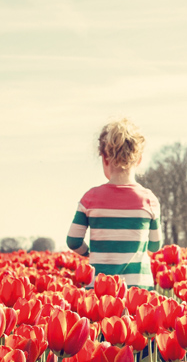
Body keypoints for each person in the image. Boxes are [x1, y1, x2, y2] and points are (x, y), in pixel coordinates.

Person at [66, 117, 162, 289]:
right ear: (139, 159)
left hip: (100, 288)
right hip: (138, 288)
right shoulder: (149, 200)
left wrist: (90, 253)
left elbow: (73, 241)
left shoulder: (90, 198)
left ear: (104, 158)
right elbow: (155, 245)